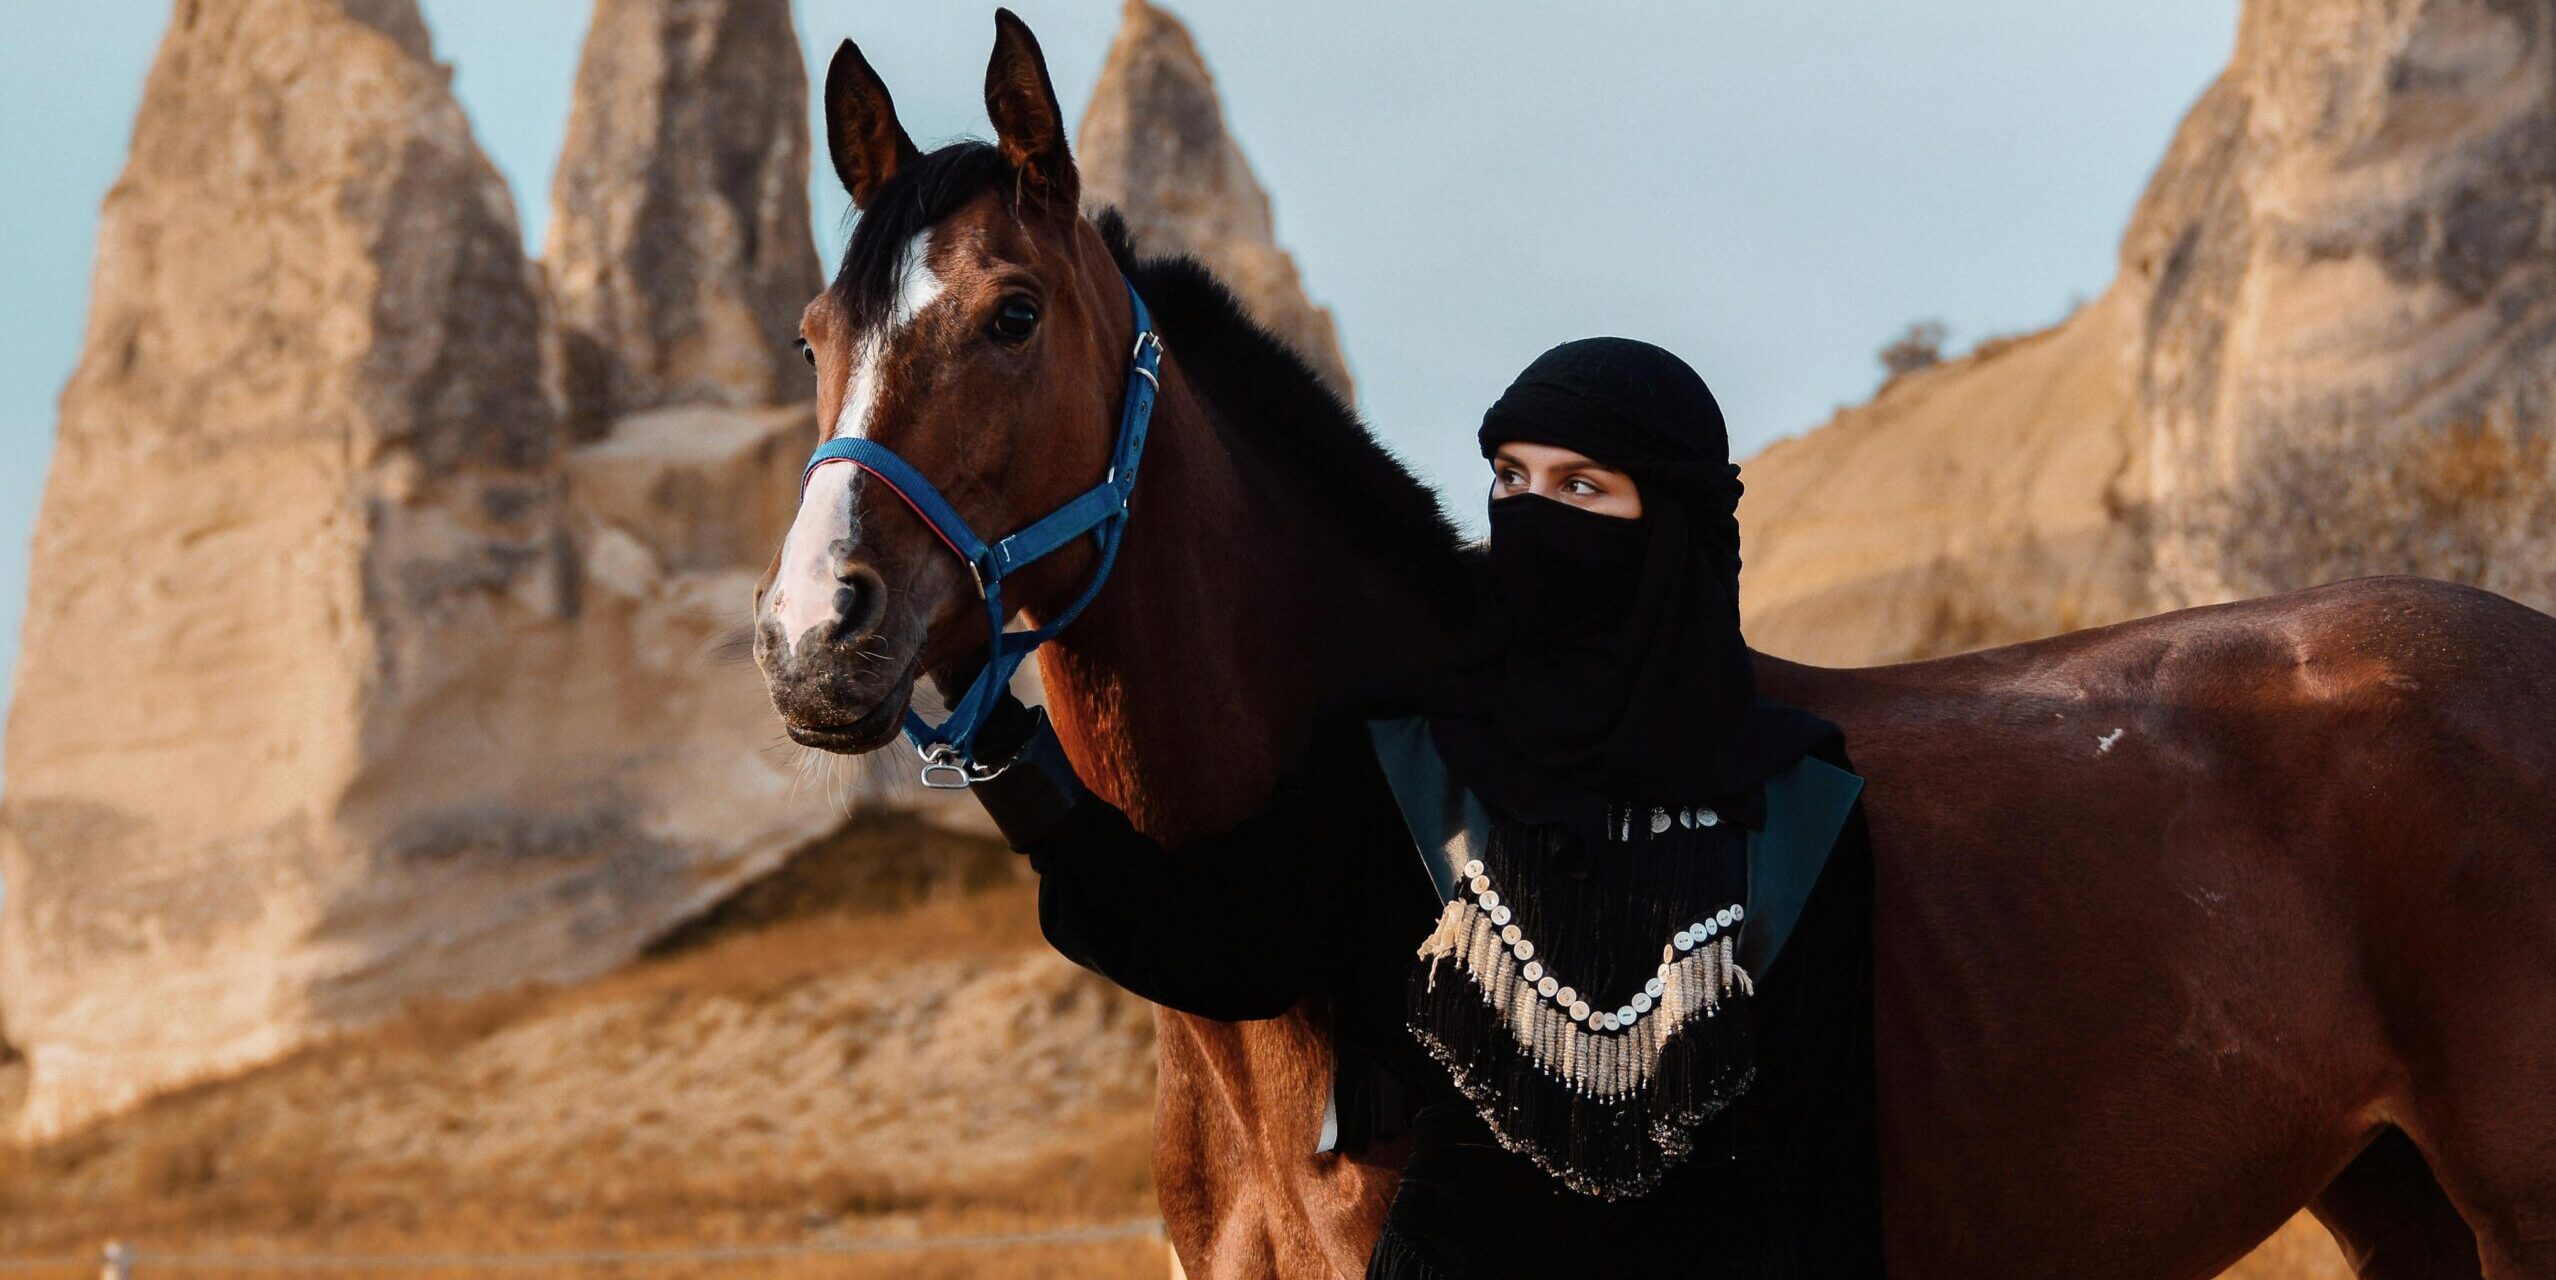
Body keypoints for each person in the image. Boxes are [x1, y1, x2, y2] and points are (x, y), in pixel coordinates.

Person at [961, 338, 1882, 1278]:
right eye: (1512, 479)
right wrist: (1002, 754)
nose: (1531, 517)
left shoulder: (1800, 807)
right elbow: (1215, 942)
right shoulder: (1407, 759)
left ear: (1673, 527)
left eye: (1580, 490)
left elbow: (1828, 1166)